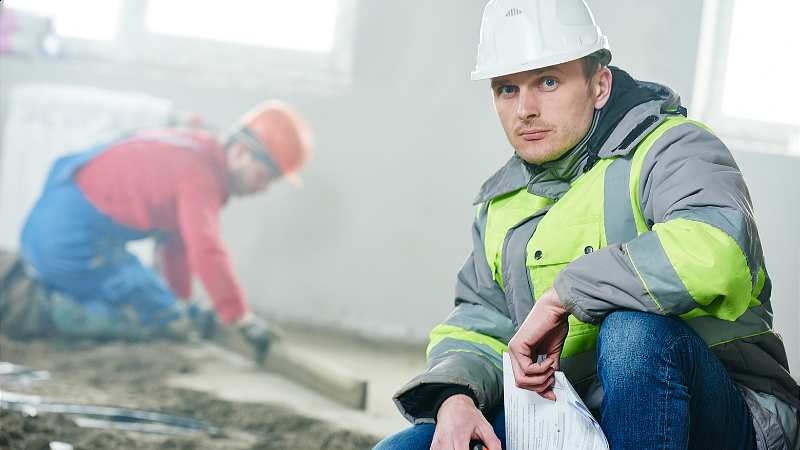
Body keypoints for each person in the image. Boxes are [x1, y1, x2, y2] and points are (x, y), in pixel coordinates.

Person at [375, 1, 799, 449]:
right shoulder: (502, 205)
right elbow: (479, 322)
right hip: (573, 418)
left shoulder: (672, 148)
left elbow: (716, 252)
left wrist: (564, 295)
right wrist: (456, 397)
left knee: (633, 335)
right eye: (506, 89)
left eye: (548, 81)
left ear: (599, 86)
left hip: (722, 417)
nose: (525, 110)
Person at [10, 99, 314, 352]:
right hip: (66, 240)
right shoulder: (201, 176)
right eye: (263, 177)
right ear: (240, 153)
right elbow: (205, 248)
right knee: (156, 315)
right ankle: (41, 311)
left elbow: (178, 244)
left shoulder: (199, 151)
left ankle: (54, 287)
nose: (263, 189)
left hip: (59, 226)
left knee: (169, 310)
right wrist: (239, 317)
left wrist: (180, 303)